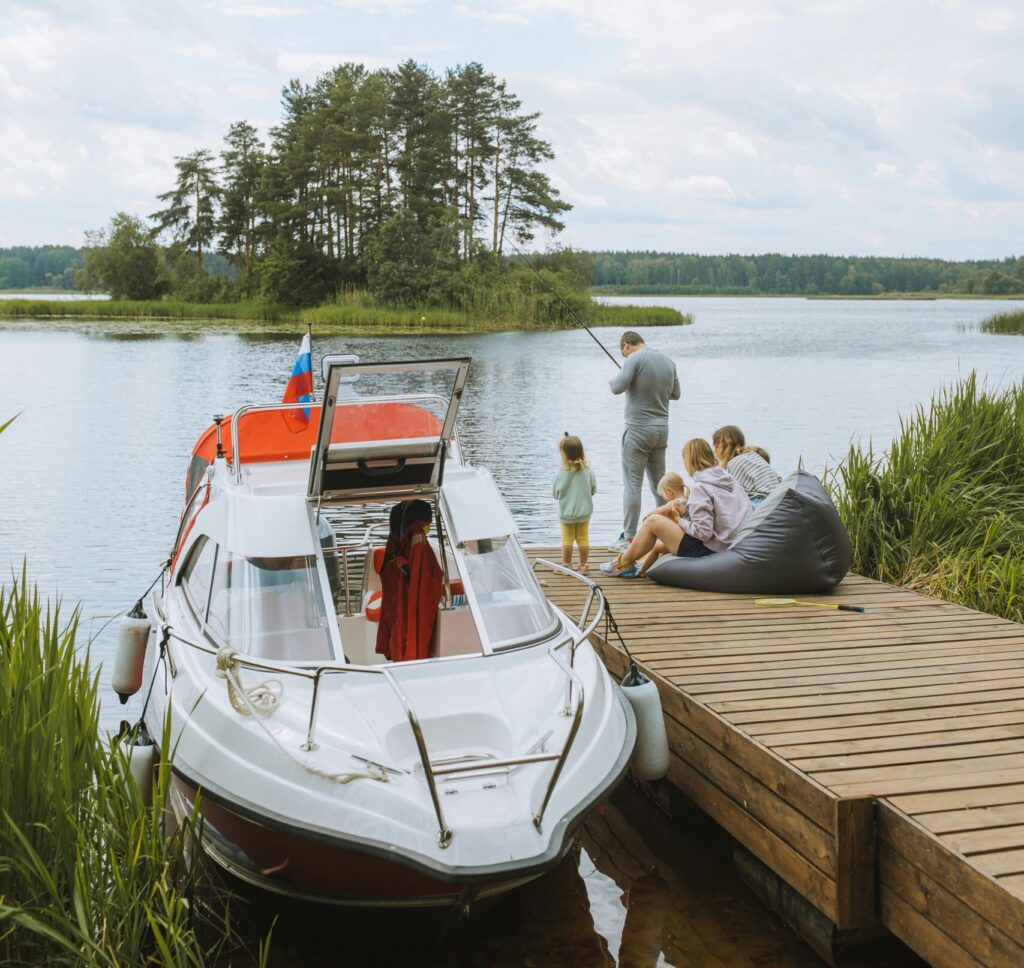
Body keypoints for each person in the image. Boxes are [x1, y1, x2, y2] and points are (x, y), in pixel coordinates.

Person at [601, 438, 750, 577]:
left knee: (653, 521)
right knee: (659, 525)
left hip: (710, 551)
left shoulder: (700, 488)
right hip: (732, 546)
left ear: (689, 460)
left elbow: (704, 533)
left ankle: (624, 563)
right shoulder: (730, 481)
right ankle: (627, 561)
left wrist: (679, 520)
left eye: (684, 459)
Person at [608, 330, 680, 552]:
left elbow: (616, 387)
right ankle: (667, 531)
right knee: (660, 484)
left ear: (627, 345)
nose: (624, 355)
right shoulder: (668, 361)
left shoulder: (634, 359)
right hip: (662, 430)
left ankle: (628, 538)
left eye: (623, 352)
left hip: (638, 429)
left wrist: (616, 377)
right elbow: (676, 394)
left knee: (632, 485)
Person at [552, 434, 597, 574]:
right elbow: (593, 490)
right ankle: (583, 566)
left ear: (564, 454)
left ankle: (566, 565)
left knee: (567, 539)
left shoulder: (561, 473)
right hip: (584, 513)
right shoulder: (588, 471)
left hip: (567, 513)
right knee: (583, 538)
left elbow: (555, 494)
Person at [711, 425, 781, 508]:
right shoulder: (753, 456)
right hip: (777, 499)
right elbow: (778, 479)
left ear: (727, 446)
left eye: (717, 447)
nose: (715, 451)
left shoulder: (734, 462)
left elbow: (734, 494)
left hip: (761, 503)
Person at [637, 472, 689, 577]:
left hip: (683, 541)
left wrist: (646, 519)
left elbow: (657, 511)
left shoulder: (675, 503)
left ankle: (642, 572)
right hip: (687, 538)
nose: (664, 498)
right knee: (661, 547)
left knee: (656, 549)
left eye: (663, 494)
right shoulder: (686, 500)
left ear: (669, 491)